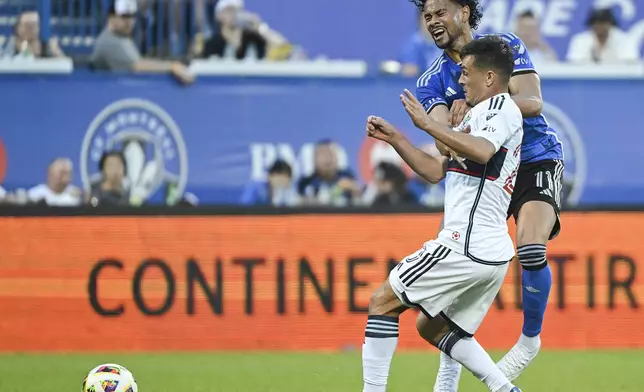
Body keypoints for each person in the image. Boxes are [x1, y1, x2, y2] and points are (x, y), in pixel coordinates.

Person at [409, 0, 564, 388]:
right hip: (483, 176)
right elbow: (445, 145)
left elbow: (533, 101)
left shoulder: (505, 43)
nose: (433, 22)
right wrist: (444, 127)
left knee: (530, 248)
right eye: (427, 17)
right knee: (455, 280)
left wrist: (480, 107)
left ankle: (529, 341)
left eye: (439, 12)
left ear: (464, 11)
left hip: (532, 158)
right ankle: (448, 374)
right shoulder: (431, 80)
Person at [362, 36, 523, 392]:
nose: (460, 79)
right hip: (489, 252)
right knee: (432, 327)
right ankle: (503, 387)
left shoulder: (501, 109)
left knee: (382, 301)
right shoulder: (475, 115)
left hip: (466, 244)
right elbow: (438, 171)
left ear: (490, 78)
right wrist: (397, 139)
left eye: (466, 72)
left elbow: (481, 152)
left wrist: (429, 125)